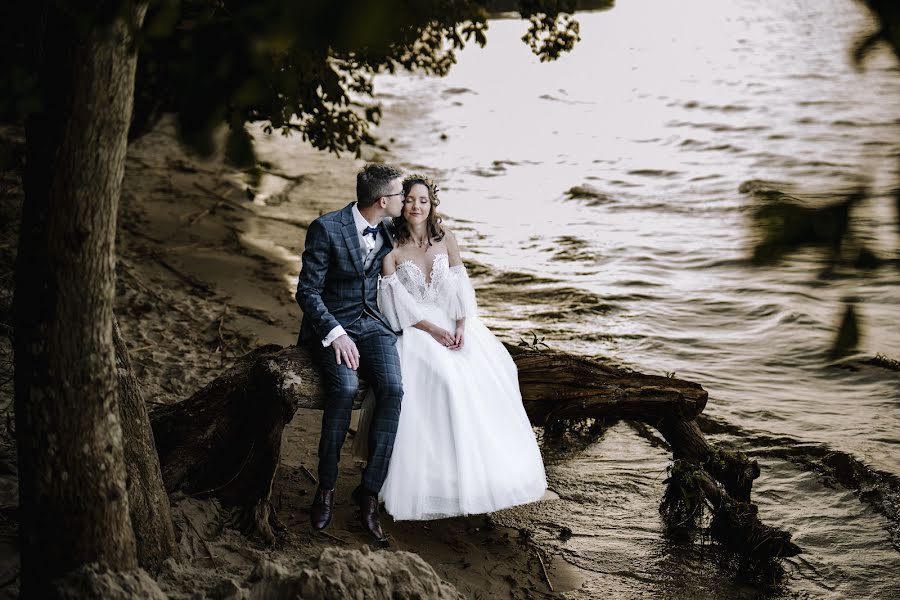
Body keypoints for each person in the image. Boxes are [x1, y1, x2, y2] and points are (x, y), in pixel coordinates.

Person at [372, 174, 547, 521]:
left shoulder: (446, 238)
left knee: (493, 373)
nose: (416, 206)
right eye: (409, 200)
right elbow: (395, 304)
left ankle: (489, 474)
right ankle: (437, 480)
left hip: (453, 321)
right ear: (399, 204)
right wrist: (434, 330)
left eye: (423, 200)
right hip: (418, 328)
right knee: (445, 381)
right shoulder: (389, 246)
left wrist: (462, 325)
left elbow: (460, 287)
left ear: (431, 204)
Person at [295, 163, 406, 543]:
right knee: (343, 390)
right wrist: (336, 334)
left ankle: (369, 494)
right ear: (381, 200)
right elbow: (307, 292)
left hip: (372, 323)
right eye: (399, 194)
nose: (404, 200)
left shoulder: (390, 229)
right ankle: (325, 488)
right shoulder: (326, 228)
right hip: (332, 327)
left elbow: (428, 237)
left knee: (393, 389)